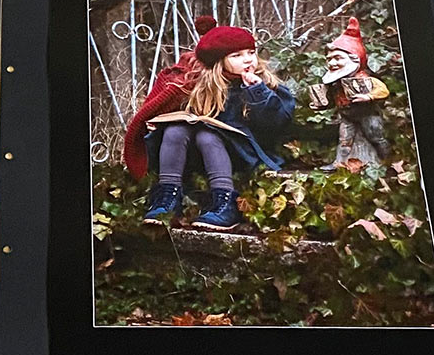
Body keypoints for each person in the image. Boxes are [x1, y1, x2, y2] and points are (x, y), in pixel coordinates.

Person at [121, 16, 295, 232]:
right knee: (175, 130)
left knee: (207, 135)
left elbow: (277, 123)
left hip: (246, 152)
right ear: (218, 61)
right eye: (237, 55)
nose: (248, 60)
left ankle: (225, 201)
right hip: (204, 157)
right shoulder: (201, 84)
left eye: (251, 52)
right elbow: (157, 105)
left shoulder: (264, 83)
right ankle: (167, 198)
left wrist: (257, 91)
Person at [313, 17, 391, 167]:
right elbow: (332, 100)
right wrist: (321, 105)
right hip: (347, 117)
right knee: (344, 141)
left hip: (368, 115)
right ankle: (339, 163)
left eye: (337, 58)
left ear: (355, 59)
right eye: (329, 59)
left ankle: (387, 160)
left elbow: (383, 90)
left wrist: (368, 96)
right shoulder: (336, 84)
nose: (332, 63)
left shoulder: (365, 80)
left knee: (376, 137)